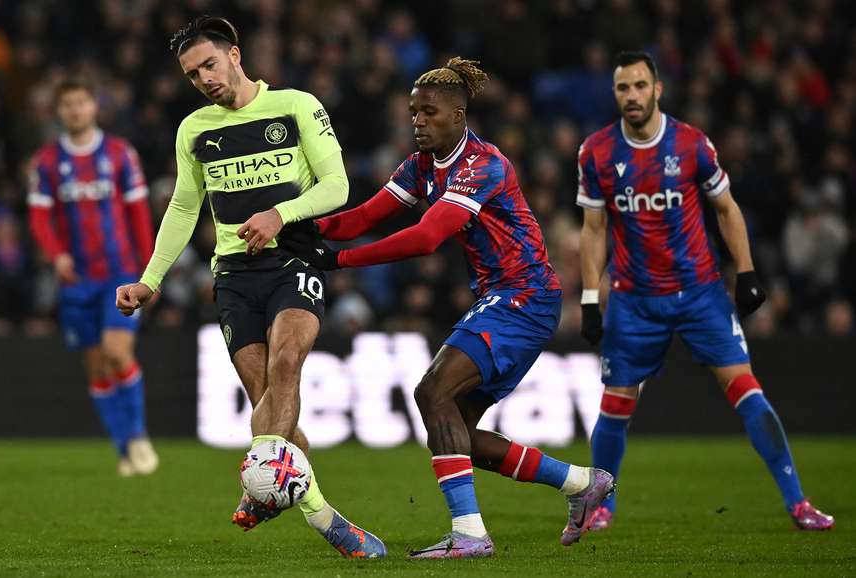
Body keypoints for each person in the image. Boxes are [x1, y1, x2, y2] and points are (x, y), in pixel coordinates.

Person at [285, 57, 614, 559]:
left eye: (429, 112)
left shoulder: (483, 164)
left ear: (459, 115)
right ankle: (581, 483)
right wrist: (305, 225)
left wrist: (337, 261)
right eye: (414, 112)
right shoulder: (421, 166)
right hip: (501, 298)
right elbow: (367, 215)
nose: (418, 121)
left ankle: (470, 535)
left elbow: (424, 238)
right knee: (457, 431)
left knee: (431, 391)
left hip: (523, 296)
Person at [114, 16, 385, 558]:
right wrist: (149, 281)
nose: (204, 79)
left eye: (209, 64)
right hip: (234, 275)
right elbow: (185, 206)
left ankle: (257, 485)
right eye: (192, 75)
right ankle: (325, 518)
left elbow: (337, 186)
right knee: (268, 403)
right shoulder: (194, 129)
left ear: (235, 54)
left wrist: (279, 215)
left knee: (288, 362)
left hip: (294, 258)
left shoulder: (297, 105)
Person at [576, 51, 834, 532]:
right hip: (633, 300)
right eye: (622, 88)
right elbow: (592, 230)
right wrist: (591, 297)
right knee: (616, 402)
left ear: (658, 90)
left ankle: (798, 503)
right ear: (615, 94)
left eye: (639, 86)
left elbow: (726, 209)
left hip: (699, 293)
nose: (631, 96)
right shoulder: (596, 152)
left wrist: (748, 272)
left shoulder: (692, 144)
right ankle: (602, 505)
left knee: (745, 387)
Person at [28, 79, 159, 477]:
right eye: (67, 105)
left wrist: (151, 268)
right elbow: (39, 218)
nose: (74, 110)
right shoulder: (47, 162)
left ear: (93, 107)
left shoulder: (120, 154)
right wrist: (57, 255)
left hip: (118, 273)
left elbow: (139, 213)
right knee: (98, 366)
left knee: (118, 353)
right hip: (76, 281)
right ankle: (124, 451)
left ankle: (137, 437)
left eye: (81, 102)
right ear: (59, 112)